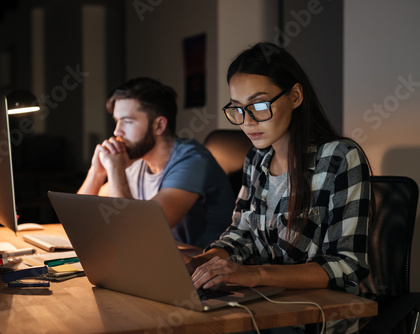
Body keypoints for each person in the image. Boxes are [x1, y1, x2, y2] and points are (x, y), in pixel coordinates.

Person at [186, 43, 372, 334]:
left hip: (316, 318)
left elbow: (346, 265)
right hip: (262, 306)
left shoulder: (339, 157)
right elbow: (240, 236)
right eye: (237, 109)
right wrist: (201, 263)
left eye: (259, 105)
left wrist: (254, 274)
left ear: (295, 96)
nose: (246, 121)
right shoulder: (256, 160)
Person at [78, 77, 235, 249]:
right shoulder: (138, 159)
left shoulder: (192, 161)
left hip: (200, 267)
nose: (117, 131)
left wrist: (115, 169)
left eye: (127, 121)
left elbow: (136, 233)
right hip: (158, 257)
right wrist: (97, 172)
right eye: (117, 121)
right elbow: (80, 218)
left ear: (159, 125)